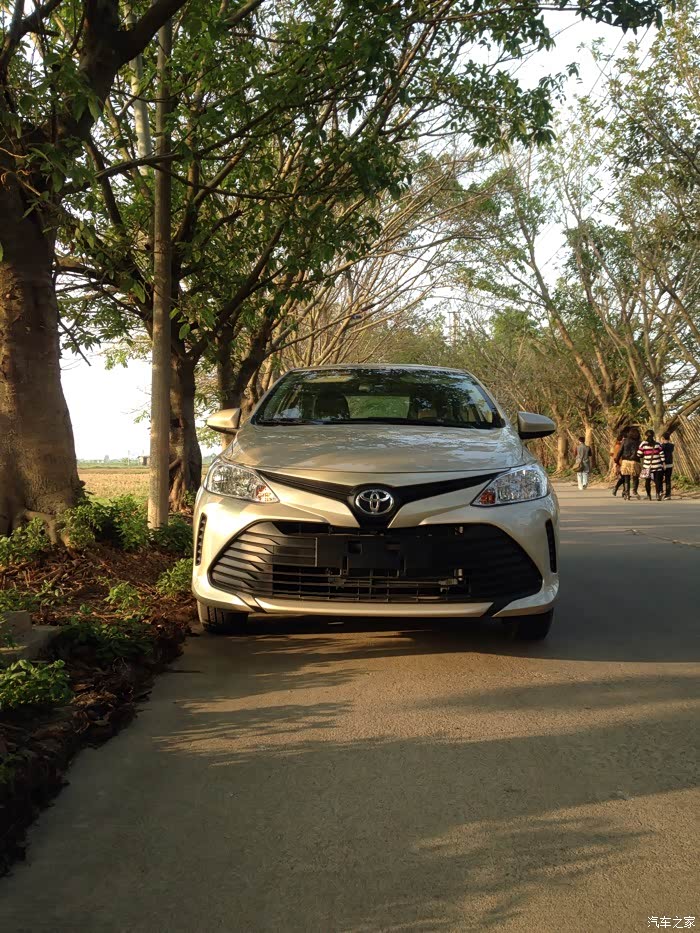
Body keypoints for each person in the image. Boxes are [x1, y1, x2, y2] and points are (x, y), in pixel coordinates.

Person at [637, 430, 665, 500]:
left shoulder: (643, 444)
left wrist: (645, 454)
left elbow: (639, 454)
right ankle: (658, 494)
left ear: (646, 436)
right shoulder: (658, 444)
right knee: (657, 481)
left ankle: (648, 495)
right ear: (653, 436)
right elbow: (662, 455)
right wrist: (663, 463)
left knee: (647, 481)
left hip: (647, 465)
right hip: (657, 465)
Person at [615, 426, 642, 499]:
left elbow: (620, 451)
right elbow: (641, 453)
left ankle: (627, 493)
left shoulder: (625, 441)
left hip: (625, 461)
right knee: (636, 477)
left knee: (626, 477)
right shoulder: (639, 442)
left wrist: (617, 460)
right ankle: (635, 491)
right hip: (635, 461)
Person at [610, 428, 628, 497]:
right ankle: (617, 488)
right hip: (620, 464)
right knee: (623, 478)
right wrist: (616, 464)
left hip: (625, 463)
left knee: (625, 478)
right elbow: (615, 456)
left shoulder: (622, 445)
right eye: (624, 439)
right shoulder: (618, 446)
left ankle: (624, 491)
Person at [661, 431, 675, 499]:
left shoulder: (661, 446)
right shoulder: (672, 445)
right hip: (670, 464)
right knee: (668, 479)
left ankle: (660, 492)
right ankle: (668, 494)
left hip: (662, 464)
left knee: (660, 479)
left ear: (663, 438)